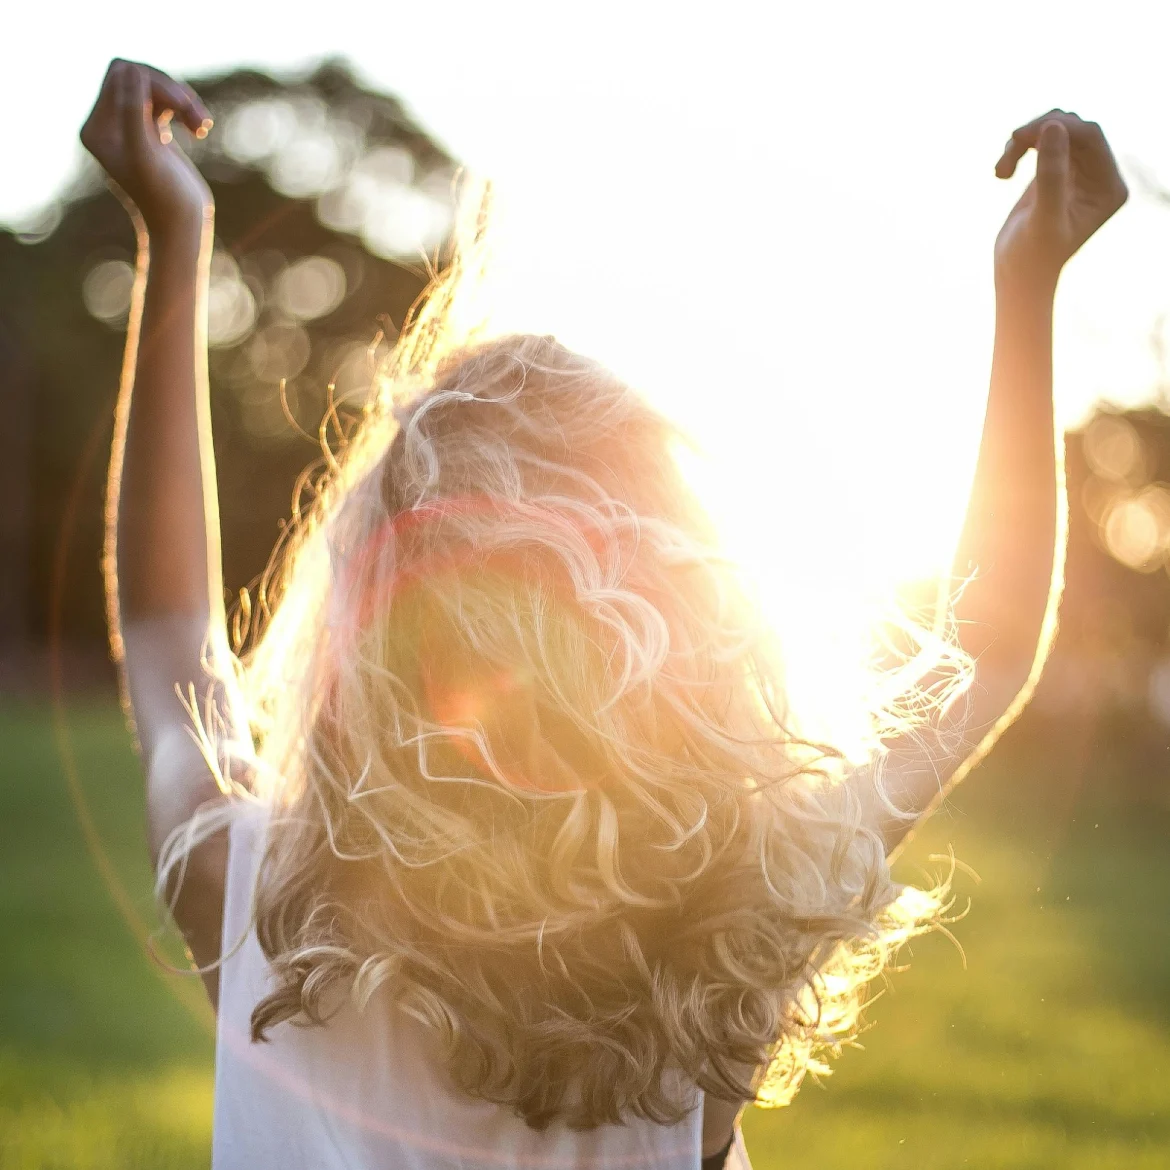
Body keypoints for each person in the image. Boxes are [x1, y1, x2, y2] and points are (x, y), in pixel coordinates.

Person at [80, 58, 1127, 1170]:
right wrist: (1030, 288)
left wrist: (174, 237)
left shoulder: (249, 902)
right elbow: (988, 647)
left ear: (370, 647)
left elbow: (168, 632)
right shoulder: (734, 935)